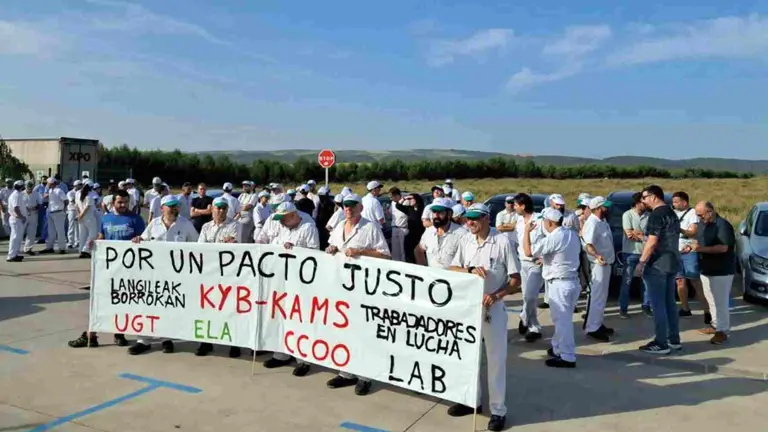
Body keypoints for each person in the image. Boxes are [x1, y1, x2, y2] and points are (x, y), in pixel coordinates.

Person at [447, 203, 521, 432]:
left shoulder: (502, 242)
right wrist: (469, 270)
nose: (470, 222)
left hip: (493, 308)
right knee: (468, 357)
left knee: (495, 361)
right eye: (468, 218)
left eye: (475, 218)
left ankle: (498, 411)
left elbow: (516, 280)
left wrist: (497, 295)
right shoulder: (466, 240)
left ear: (486, 219)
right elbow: (452, 268)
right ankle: (472, 400)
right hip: (468, 308)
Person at [325, 194, 390, 396]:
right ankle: (346, 372)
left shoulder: (370, 227)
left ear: (360, 208)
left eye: (353, 206)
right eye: (346, 206)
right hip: (341, 285)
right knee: (343, 329)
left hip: (364, 287)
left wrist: (361, 252)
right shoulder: (338, 227)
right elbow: (331, 247)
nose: (349, 209)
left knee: (363, 330)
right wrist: (332, 249)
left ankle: (365, 376)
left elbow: (386, 254)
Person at [68, 190, 145, 348]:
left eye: (125, 202)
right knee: (101, 301)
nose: (123, 205)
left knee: (123, 302)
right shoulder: (106, 218)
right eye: (119, 202)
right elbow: (102, 236)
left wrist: (140, 240)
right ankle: (92, 335)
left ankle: (119, 333)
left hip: (128, 270)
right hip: (108, 269)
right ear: (113, 203)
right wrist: (95, 242)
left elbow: (144, 239)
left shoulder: (136, 219)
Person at [128, 195, 199, 355]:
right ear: (162, 208)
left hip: (175, 275)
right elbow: (144, 241)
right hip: (152, 274)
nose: (174, 208)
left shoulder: (185, 224)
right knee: (148, 306)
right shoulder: (153, 224)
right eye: (170, 206)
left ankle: (167, 339)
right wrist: (139, 239)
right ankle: (143, 341)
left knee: (169, 307)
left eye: (176, 206)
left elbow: (197, 245)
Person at [262, 201, 319, 376]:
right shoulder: (282, 227)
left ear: (294, 215)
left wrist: (295, 251)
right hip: (280, 279)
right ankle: (281, 354)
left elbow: (314, 254)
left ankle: (304, 359)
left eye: (283, 218)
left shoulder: (308, 227)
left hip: (300, 281)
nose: (280, 221)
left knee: (300, 319)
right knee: (279, 316)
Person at [523, 207, 582, 368]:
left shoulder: (554, 237)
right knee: (564, 319)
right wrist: (547, 260)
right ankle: (557, 348)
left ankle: (567, 356)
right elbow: (562, 254)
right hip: (572, 282)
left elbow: (528, 252)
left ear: (549, 222)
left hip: (560, 284)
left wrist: (527, 231)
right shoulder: (571, 234)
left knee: (562, 322)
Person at [637, 185, 682, 355]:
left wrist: (641, 263)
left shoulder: (656, 215)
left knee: (658, 305)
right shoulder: (672, 213)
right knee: (670, 303)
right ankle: (674, 339)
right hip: (672, 262)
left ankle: (661, 342)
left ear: (654, 197)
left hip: (657, 264)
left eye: (645, 197)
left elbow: (652, 242)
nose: (643, 201)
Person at [196, 197, 242, 358]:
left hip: (228, 274)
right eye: (218, 208)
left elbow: (235, 247)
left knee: (230, 309)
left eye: (224, 208)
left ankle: (234, 343)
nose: (221, 211)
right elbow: (200, 248)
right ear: (212, 209)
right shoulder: (206, 227)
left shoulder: (235, 225)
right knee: (207, 309)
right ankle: (206, 342)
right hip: (209, 274)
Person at [692, 201, 736, 345]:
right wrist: (691, 246)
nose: (699, 218)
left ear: (710, 212)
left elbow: (723, 248)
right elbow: (699, 241)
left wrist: (700, 250)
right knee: (711, 300)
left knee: (720, 302)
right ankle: (715, 325)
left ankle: (722, 331)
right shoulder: (704, 224)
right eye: (697, 215)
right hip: (706, 269)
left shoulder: (722, 225)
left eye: (701, 215)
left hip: (721, 271)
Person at [581, 196, 616, 341]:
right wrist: (597, 256)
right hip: (598, 264)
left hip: (606, 264)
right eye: (604, 206)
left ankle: (598, 323)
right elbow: (588, 244)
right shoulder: (592, 223)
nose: (607, 209)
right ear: (598, 208)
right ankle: (592, 327)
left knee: (602, 297)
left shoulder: (603, 222)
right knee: (596, 296)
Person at [513, 193, 545, 342]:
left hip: (535, 263)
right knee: (527, 296)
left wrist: (545, 257)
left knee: (530, 296)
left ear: (523, 206)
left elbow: (550, 239)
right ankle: (534, 328)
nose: (514, 208)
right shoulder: (519, 221)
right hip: (522, 262)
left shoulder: (540, 220)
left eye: (516, 205)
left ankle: (523, 316)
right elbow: (517, 242)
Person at [672, 191, 707, 322]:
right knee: (680, 281)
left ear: (684, 202)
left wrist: (679, 229)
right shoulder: (673, 213)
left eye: (676, 202)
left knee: (695, 281)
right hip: (676, 252)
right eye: (673, 202)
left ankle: (707, 310)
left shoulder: (692, 214)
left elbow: (693, 232)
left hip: (689, 252)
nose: (673, 204)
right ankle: (685, 308)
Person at [620, 192, 651, 318]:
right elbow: (629, 235)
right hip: (630, 253)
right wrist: (643, 237)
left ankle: (646, 306)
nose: (646, 204)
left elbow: (651, 235)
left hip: (645, 253)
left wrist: (639, 235)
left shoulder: (649, 216)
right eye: (644, 201)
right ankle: (623, 309)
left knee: (646, 282)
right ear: (638, 203)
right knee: (627, 281)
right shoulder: (627, 215)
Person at [414, 198, 466, 268]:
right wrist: (423, 269)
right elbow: (418, 250)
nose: (436, 216)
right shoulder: (429, 231)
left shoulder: (462, 234)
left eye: (440, 212)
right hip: (431, 277)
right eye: (434, 212)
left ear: (449, 214)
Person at [395, 193, 426, 264]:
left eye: (411, 199)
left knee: (419, 254)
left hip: (420, 236)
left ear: (417, 200)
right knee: (409, 254)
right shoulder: (409, 209)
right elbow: (398, 205)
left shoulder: (422, 209)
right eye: (409, 199)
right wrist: (404, 198)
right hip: (411, 235)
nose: (410, 200)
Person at [40, 178, 68, 254]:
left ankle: (62, 248)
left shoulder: (59, 191)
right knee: (51, 231)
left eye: (48, 183)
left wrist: (64, 209)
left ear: (52, 183)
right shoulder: (50, 191)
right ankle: (49, 247)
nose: (46, 185)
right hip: (50, 212)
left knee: (60, 231)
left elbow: (66, 200)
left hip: (58, 212)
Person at [76, 180, 100, 259]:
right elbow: (87, 208)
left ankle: (81, 251)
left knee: (82, 235)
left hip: (82, 217)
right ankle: (85, 250)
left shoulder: (78, 195)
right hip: (89, 217)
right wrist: (81, 215)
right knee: (93, 234)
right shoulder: (89, 197)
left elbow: (77, 206)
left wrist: (79, 215)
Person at [6, 181, 27, 262]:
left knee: (18, 238)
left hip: (18, 219)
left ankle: (15, 254)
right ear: (21, 187)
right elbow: (16, 208)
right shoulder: (15, 195)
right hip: (16, 219)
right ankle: (11, 256)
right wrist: (22, 217)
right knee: (15, 238)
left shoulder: (18, 194)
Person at [389, 187, 409, 262]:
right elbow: (391, 212)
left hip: (403, 229)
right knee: (395, 251)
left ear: (397, 195)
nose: (391, 199)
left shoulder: (406, 202)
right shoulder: (393, 203)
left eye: (392, 197)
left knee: (403, 250)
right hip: (394, 228)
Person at [22, 180, 42, 255]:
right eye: (28, 186)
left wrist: (35, 208)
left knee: (32, 232)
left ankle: (28, 249)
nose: (29, 188)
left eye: (31, 186)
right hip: (23, 215)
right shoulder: (21, 194)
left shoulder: (36, 194)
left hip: (33, 214)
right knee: (20, 232)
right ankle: (16, 250)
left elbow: (40, 204)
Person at [66, 180, 83, 250]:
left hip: (78, 210)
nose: (81, 186)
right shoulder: (70, 193)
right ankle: (70, 242)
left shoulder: (80, 192)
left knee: (78, 226)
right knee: (71, 226)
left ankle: (77, 241)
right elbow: (72, 200)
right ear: (76, 185)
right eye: (80, 185)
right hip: (72, 210)